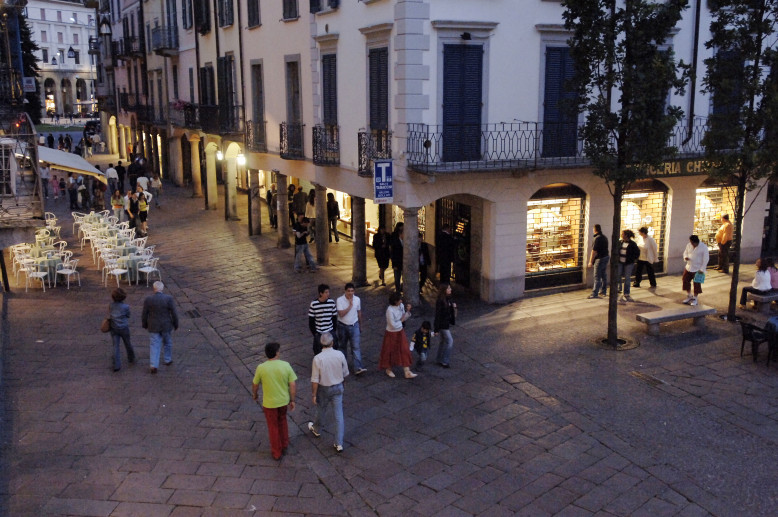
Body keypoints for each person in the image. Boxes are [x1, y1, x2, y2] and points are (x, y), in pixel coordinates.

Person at [252, 342, 297, 461]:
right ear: (277, 353)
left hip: (269, 403)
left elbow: (255, 384)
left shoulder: (261, 368)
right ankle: (284, 443)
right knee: (283, 421)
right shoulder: (286, 365)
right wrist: (292, 400)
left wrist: (255, 395)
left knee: (273, 427)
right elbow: (292, 384)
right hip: (283, 401)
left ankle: (276, 452)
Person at [307, 332, 348, 453]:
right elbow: (345, 372)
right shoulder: (340, 354)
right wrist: (343, 383)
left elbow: (315, 379)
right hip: (338, 386)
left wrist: (314, 394)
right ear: (332, 342)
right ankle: (339, 443)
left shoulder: (317, 358)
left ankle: (317, 429)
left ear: (321, 344)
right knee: (338, 415)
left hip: (324, 388)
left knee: (321, 409)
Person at [142, 281, 179, 374]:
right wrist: (176, 323)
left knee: (154, 345)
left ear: (154, 289)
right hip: (166, 325)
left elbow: (144, 313)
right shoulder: (168, 298)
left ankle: (153, 365)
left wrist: (144, 324)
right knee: (168, 343)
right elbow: (174, 313)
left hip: (153, 325)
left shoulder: (148, 299)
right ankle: (167, 359)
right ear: (162, 288)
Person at [379, 292, 417, 379]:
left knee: (404, 349)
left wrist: (407, 312)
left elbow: (403, 318)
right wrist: (402, 320)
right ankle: (388, 368)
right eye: (399, 300)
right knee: (390, 351)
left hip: (400, 331)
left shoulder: (401, 306)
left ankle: (407, 371)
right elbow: (392, 324)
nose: (401, 301)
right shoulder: (389, 310)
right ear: (395, 301)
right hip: (391, 333)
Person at [336, 283, 366, 375]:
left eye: (352, 291)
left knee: (356, 347)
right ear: (345, 291)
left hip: (354, 325)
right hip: (342, 326)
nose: (350, 293)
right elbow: (341, 314)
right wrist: (350, 305)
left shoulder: (357, 299)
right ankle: (343, 367)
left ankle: (357, 367)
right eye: (348, 291)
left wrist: (360, 325)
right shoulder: (340, 300)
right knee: (342, 347)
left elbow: (359, 312)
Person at [108, 288, 135, 372]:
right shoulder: (126, 307)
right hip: (124, 328)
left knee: (115, 346)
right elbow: (128, 315)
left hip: (114, 328)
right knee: (127, 343)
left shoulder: (111, 305)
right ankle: (131, 357)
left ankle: (116, 364)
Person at [309, 283, 337, 355]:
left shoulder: (332, 302)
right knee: (318, 352)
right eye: (326, 292)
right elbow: (311, 321)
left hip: (330, 330)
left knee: (334, 349)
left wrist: (333, 329)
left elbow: (334, 317)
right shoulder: (314, 304)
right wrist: (315, 333)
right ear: (321, 293)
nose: (328, 294)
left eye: (328, 292)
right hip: (319, 332)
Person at [682, 235, 709, 306]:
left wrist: (702, 269)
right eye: (690, 242)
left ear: (696, 242)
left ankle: (695, 298)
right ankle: (689, 295)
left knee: (696, 284)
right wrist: (685, 257)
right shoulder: (689, 245)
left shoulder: (703, 247)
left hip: (698, 268)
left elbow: (706, 258)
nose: (691, 244)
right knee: (685, 280)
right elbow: (685, 252)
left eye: (692, 243)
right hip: (688, 267)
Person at [434, 284, 457, 367]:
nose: (450, 289)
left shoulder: (448, 299)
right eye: (449, 288)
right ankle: (445, 361)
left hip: (445, 323)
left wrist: (453, 307)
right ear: (445, 290)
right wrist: (436, 329)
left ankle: (439, 359)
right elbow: (438, 315)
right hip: (443, 324)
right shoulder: (440, 301)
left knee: (443, 341)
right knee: (450, 341)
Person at [616, 229, 640, 303]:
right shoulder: (620, 242)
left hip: (628, 263)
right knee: (618, 275)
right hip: (620, 262)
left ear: (626, 235)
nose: (621, 235)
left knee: (627, 277)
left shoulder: (632, 244)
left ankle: (626, 292)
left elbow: (637, 253)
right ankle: (619, 289)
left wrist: (632, 259)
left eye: (623, 234)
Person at [587, 224, 609, 299]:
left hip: (600, 258)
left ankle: (594, 293)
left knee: (597, 276)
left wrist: (590, 262)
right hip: (606, 257)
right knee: (603, 275)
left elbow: (594, 251)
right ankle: (603, 291)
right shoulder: (604, 237)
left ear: (595, 230)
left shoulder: (597, 238)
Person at [390, 222, 404, 293]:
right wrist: (394, 264)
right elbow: (393, 253)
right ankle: (398, 291)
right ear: (400, 234)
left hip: (404, 263)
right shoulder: (395, 242)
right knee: (397, 278)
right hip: (397, 263)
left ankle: (402, 288)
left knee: (404, 278)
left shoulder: (406, 242)